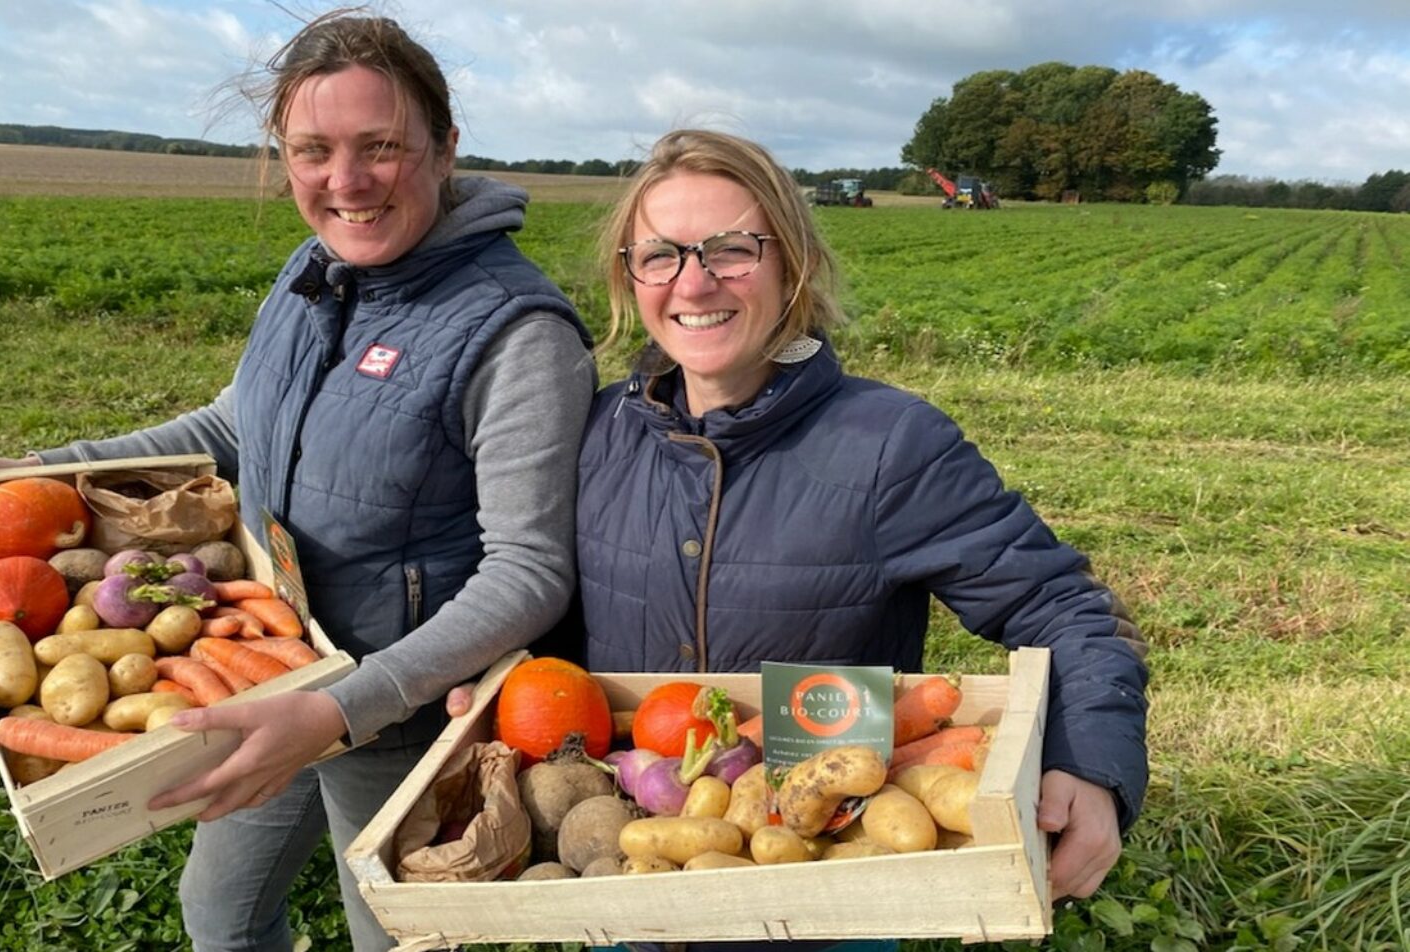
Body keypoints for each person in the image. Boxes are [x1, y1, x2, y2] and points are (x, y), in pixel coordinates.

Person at [0, 12, 595, 951]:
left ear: (444, 150)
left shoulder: (517, 336)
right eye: (312, 149)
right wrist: (44, 471)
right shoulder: (316, 270)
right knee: (220, 917)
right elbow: (233, 425)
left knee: (389, 937)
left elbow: (528, 572)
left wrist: (336, 712)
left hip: (404, 720)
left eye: (381, 146)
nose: (344, 181)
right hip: (268, 671)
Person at [453, 128, 1147, 927]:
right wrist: (506, 680)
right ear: (630, 277)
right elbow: (553, 610)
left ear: (794, 262)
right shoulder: (598, 431)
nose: (694, 280)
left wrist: (1091, 765)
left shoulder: (892, 444)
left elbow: (1064, 607)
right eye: (661, 254)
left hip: (832, 891)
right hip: (635, 871)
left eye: (731, 249)